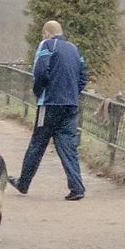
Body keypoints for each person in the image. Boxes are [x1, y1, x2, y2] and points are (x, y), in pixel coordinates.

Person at [8, 20, 88, 200]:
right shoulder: (75, 49)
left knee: (37, 144)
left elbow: (41, 71)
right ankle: (77, 188)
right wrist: (74, 92)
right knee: (68, 146)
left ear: (47, 33)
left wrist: (39, 92)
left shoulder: (47, 45)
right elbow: (83, 76)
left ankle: (23, 183)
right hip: (71, 105)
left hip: (49, 104)